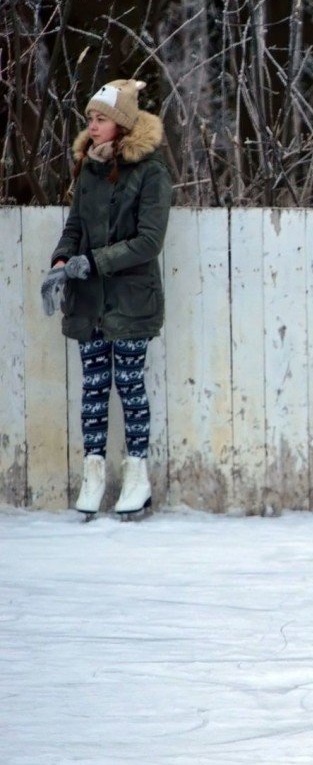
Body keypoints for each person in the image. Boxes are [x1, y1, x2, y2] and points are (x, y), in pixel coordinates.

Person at [40, 79, 172, 518]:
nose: (91, 126)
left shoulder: (150, 171)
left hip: (132, 299)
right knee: (94, 387)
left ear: (121, 124)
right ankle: (93, 473)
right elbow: (75, 226)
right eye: (90, 119)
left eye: (100, 119)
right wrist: (62, 262)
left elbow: (149, 241)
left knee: (131, 386)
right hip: (89, 300)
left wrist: (92, 263)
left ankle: (137, 476)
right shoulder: (88, 169)